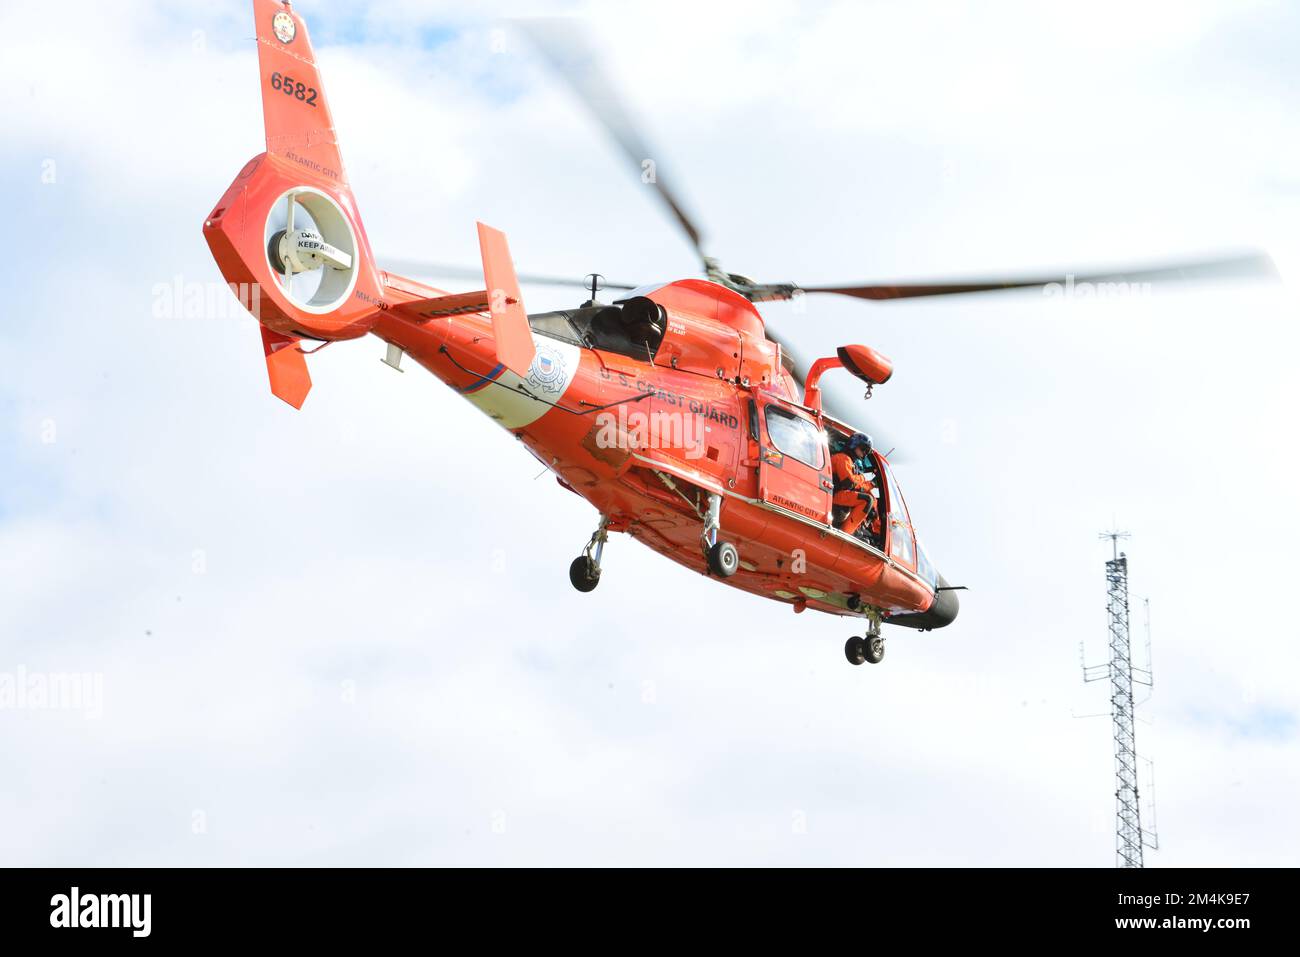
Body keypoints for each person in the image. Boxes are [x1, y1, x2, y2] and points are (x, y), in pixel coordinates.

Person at [831, 432, 881, 541]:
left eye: (866, 452)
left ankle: (862, 530)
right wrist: (864, 479)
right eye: (864, 449)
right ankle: (846, 533)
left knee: (871, 500)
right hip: (833, 494)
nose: (864, 454)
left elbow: (856, 484)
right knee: (867, 500)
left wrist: (871, 485)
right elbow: (849, 482)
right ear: (855, 445)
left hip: (841, 495)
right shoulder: (842, 458)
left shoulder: (850, 462)